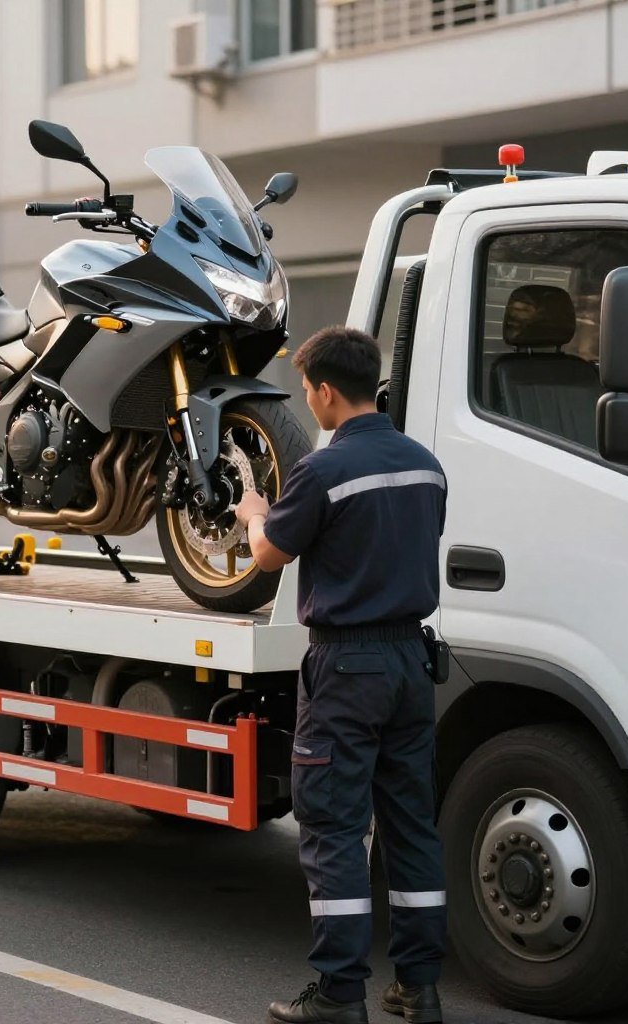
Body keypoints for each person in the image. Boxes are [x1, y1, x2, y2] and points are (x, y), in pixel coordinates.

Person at [235, 326, 448, 1024]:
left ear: (326, 391)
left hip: (346, 666)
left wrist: (255, 514)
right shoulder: (426, 466)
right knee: (411, 825)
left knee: (333, 827)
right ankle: (419, 987)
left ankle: (338, 993)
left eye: (306, 390)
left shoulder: (323, 469)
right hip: (411, 662)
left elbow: (269, 556)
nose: (307, 401)